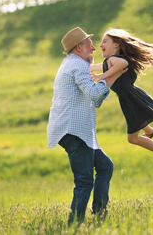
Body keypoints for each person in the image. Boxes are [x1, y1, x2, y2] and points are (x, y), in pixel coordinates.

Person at [47, 27, 126, 225]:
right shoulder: (78, 65)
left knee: (105, 167)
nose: (93, 48)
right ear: (78, 47)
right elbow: (93, 94)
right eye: (89, 44)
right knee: (84, 180)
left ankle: (99, 214)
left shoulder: (72, 63)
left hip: (76, 130)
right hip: (73, 130)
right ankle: (74, 224)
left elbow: (95, 100)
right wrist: (111, 77)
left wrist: (108, 79)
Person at [90, 28, 153, 171]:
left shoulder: (116, 60)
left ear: (116, 44)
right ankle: (150, 132)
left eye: (104, 41)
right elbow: (96, 66)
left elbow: (123, 65)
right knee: (134, 134)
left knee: (133, 138)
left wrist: (101, 77)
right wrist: (80, 67)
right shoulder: (109, 61)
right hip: (130, 97)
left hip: (131, 98)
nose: (100, 45)